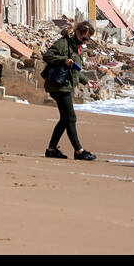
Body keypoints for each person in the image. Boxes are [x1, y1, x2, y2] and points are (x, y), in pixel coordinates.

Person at [42, 20, 97, 161]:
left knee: (65, 119)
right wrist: (63, 60)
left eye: (88, 39)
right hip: (58, 85)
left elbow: (75, 68)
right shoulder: (63, 43)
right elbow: (47, 56)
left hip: (66, 84)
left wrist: (86, 80)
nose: (85, 41)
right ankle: (79, 151)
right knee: (70, 118)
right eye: (84, 38)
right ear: (78, 31)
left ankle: (51, 149)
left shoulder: (78, 47)